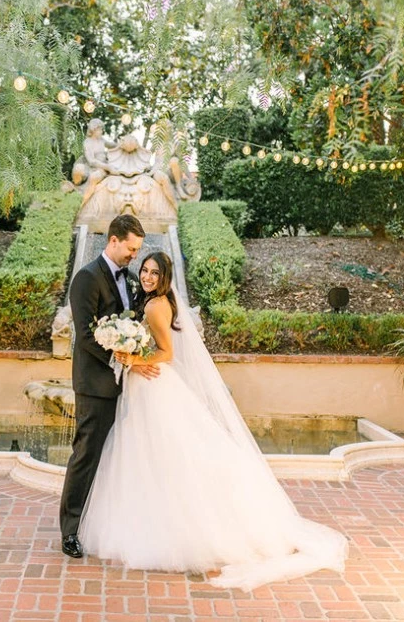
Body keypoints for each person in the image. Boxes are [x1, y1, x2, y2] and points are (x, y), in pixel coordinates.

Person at [77, 251, 349, 590]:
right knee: (154, 456)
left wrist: (130, 356)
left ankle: (179, 528)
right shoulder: (152, 300)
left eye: (153, 272)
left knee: (166, 456)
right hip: (145, 384)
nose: (146, 276)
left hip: (154, 386)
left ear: (164, 277)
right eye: (144, 270)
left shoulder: (154, 306)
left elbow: (167, 353)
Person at [60, 214, 159, 559]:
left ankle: (101, 523)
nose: (135, 255)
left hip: (126, 384)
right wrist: (124, 357)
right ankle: (70, 530)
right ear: (114, 240)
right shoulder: (86, 279)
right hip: (96, 382)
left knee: (116, 457)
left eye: (137, 250)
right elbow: (86, 336)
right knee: (86, 455)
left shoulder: (130, 280)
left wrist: (138, 355)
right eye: (131, 249)